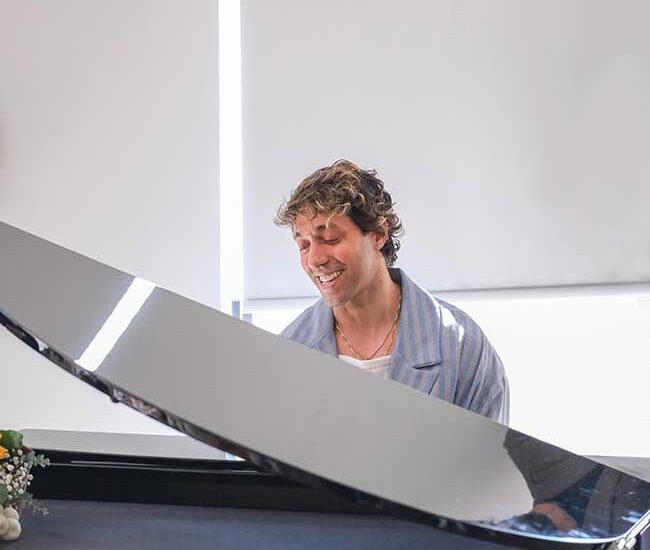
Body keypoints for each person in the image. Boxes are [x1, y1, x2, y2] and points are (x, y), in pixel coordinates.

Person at [275, 159, 509, 424]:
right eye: (304, 246)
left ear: (378, 234)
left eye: (331, 239)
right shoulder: (290, 352)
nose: (314, 259)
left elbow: (488, 451)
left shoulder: (463, 347)